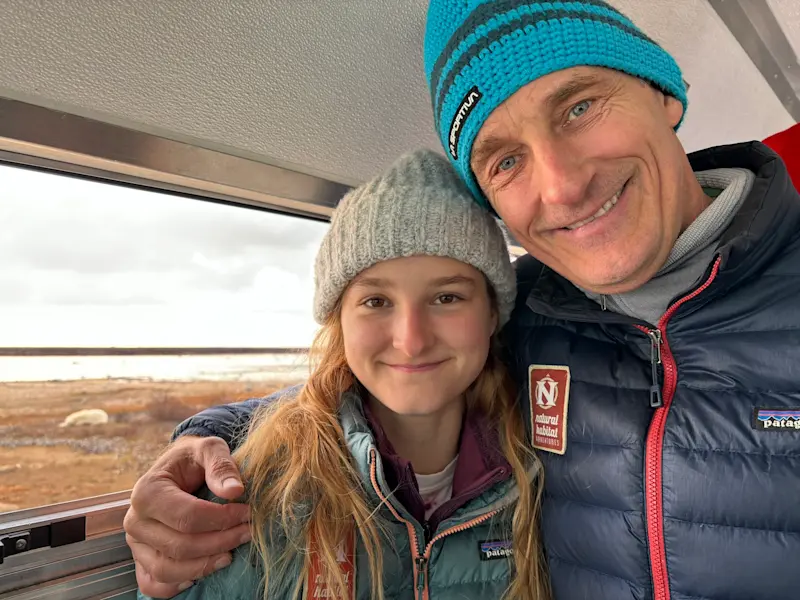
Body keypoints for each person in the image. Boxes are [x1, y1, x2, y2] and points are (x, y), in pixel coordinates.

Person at [127, 2, 800, 599]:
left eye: (579, 107)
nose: (561, 187)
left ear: (663, 95)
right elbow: (383, 387)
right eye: (505, 160)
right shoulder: (533, 310)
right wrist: (204, 445)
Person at [136, 149, 550, 600]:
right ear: (340, 321)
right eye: (376, 301)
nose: (411, 340)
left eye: (447, 298)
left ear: (492, 315)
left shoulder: (540, 471)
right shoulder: (263, 491)